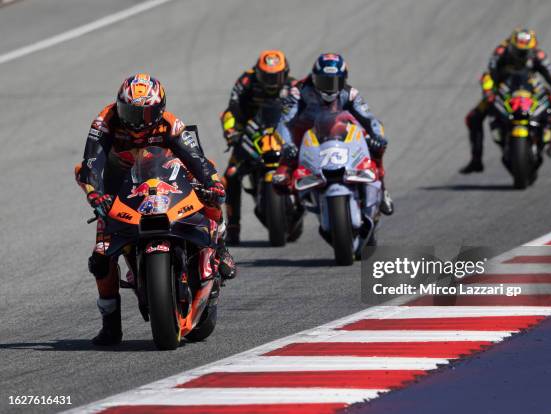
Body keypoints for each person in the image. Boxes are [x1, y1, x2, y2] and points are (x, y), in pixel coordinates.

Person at [75, 73, 235, 346]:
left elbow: (195, 158)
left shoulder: (171, 125)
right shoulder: (105, 122)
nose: (136, 121)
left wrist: (211, 182)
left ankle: (219, 249)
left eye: (145, 113)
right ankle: (110, 326)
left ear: (159, 109)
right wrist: (96, 194)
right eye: (129, 111)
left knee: (210, 191)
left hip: (167, 179)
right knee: (100, 259)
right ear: (118, 105)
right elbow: (92, 162)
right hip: (119, 184)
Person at [274, 53, 394, 216]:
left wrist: (378, 136)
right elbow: (284, 122)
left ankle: (382, 187)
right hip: (304, 133)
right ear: (314, 78)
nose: (329, 87)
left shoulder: (350, 93)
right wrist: (287, 145)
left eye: (335, 82)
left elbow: (371, 120)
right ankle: (295, 202)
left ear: (343, 80)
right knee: (279, 179)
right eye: (324, 81)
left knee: (374, 144)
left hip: (338, 129)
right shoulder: (299, 91)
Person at [461, 27, 551, 173]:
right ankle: (476, 160)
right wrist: (488, 90)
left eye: (525, 51)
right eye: (518, 51)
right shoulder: (500, 53)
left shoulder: (539, 56)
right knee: (472, 118)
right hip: (503, 92)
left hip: (531, 93)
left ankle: (549, 135)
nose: (521, 55)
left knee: (550, 101)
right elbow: (489, 75)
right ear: (511, 46)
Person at [220, 50, 295, 245]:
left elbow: (304, 112)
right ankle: (233, 226)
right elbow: (231, 110)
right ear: (257, 72)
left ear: (285, 73)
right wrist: (231, 133)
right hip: (250, 134)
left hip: (281, 135)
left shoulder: (293, 86)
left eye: (275, 76)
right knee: (230, 175)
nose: (271, 81)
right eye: (266, 76)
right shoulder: (245, 81)